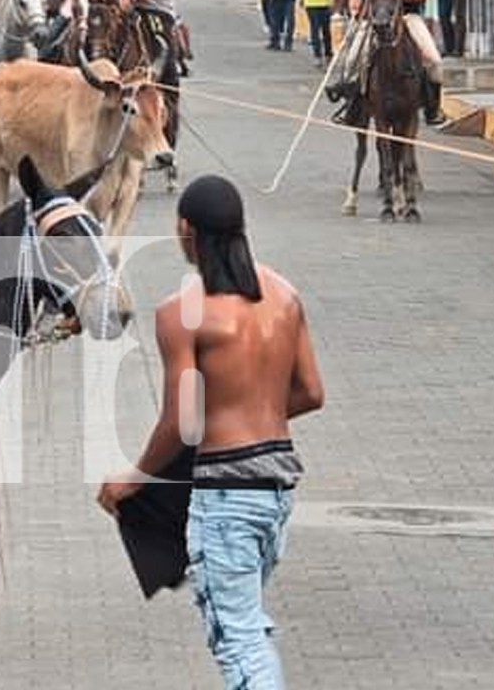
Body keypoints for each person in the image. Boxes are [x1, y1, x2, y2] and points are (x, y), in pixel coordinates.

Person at [97, 175, 325, 690]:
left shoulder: (183, 315)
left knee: (238, 639)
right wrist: (255, 407)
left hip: (225, 498)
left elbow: (182, 421)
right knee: (249, 623)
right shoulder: (285, 296)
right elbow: (311, 392)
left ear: (186, 231)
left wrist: (132, 480)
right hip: (276, 491)